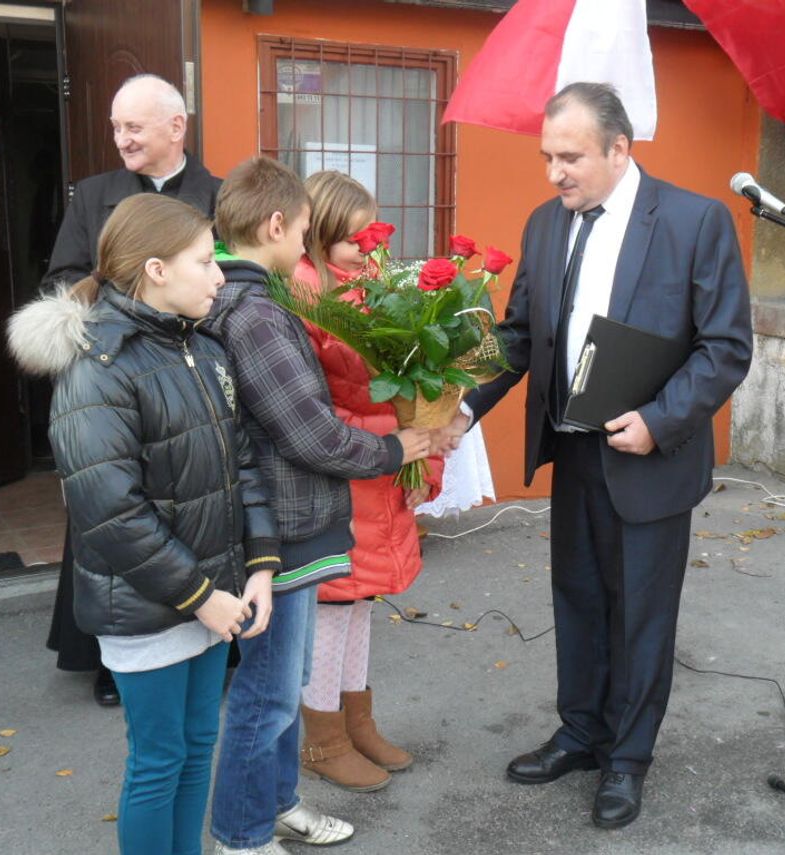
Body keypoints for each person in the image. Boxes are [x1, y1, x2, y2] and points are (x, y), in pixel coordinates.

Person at [443, 82, 752, 829]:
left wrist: (659, 419)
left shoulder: (694, 220)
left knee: (641, 614)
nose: (555, 171)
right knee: (578, 600)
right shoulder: (546, 225)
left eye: (571, 156)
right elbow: (519, 336)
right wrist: (457, 405)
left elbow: (726, 347)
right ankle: (581, 732)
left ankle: (627, 758)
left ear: (620, 149)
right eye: (548, 155)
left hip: (650, 452)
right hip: (574, 449)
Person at [7, 193, 279, 855]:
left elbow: (240, 462)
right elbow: (110, 512)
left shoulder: (201, 348)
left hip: (213, 597)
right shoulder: (97, 368)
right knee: (159, 761)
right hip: (150, 603)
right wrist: (200, 595)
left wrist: (261, 566)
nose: (220, 273)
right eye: (202, 259)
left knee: (197, 748)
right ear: (156, 269)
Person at [204, 157, 431, 854]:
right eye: (304, 229)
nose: (306, 242)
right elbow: (309, 432)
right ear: (275, 225)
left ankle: (277, 802)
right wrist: (398, 448)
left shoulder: (260, 303)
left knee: (283, 680)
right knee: (268, 692)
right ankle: (243, 833)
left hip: (291, 519)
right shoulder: (260, 315)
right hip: (283, 522)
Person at [42, 73, 223, 707]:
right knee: (115, 508)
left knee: (199, 501)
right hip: (120, 368)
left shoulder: (217, 194)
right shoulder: (94, 195)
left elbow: (233, 280)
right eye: (116, 127)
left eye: (134, 126)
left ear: (177, 127)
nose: (121, 138)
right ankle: (106, 657)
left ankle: (210, 634)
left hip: (192, 370)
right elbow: (63, 275)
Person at [292, 170, 445, 793]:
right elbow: (314, 408)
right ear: (319, 234)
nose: (366, 249)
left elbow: (422, 383)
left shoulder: (377, 288)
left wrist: (423, 460)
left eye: (370, 238)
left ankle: (358, 723)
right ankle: (323, 741)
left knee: (361, 606)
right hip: (346, 474)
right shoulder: (305, 295)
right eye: (351, 240)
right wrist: (392, 436)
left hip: (381, 472)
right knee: (333, 608)